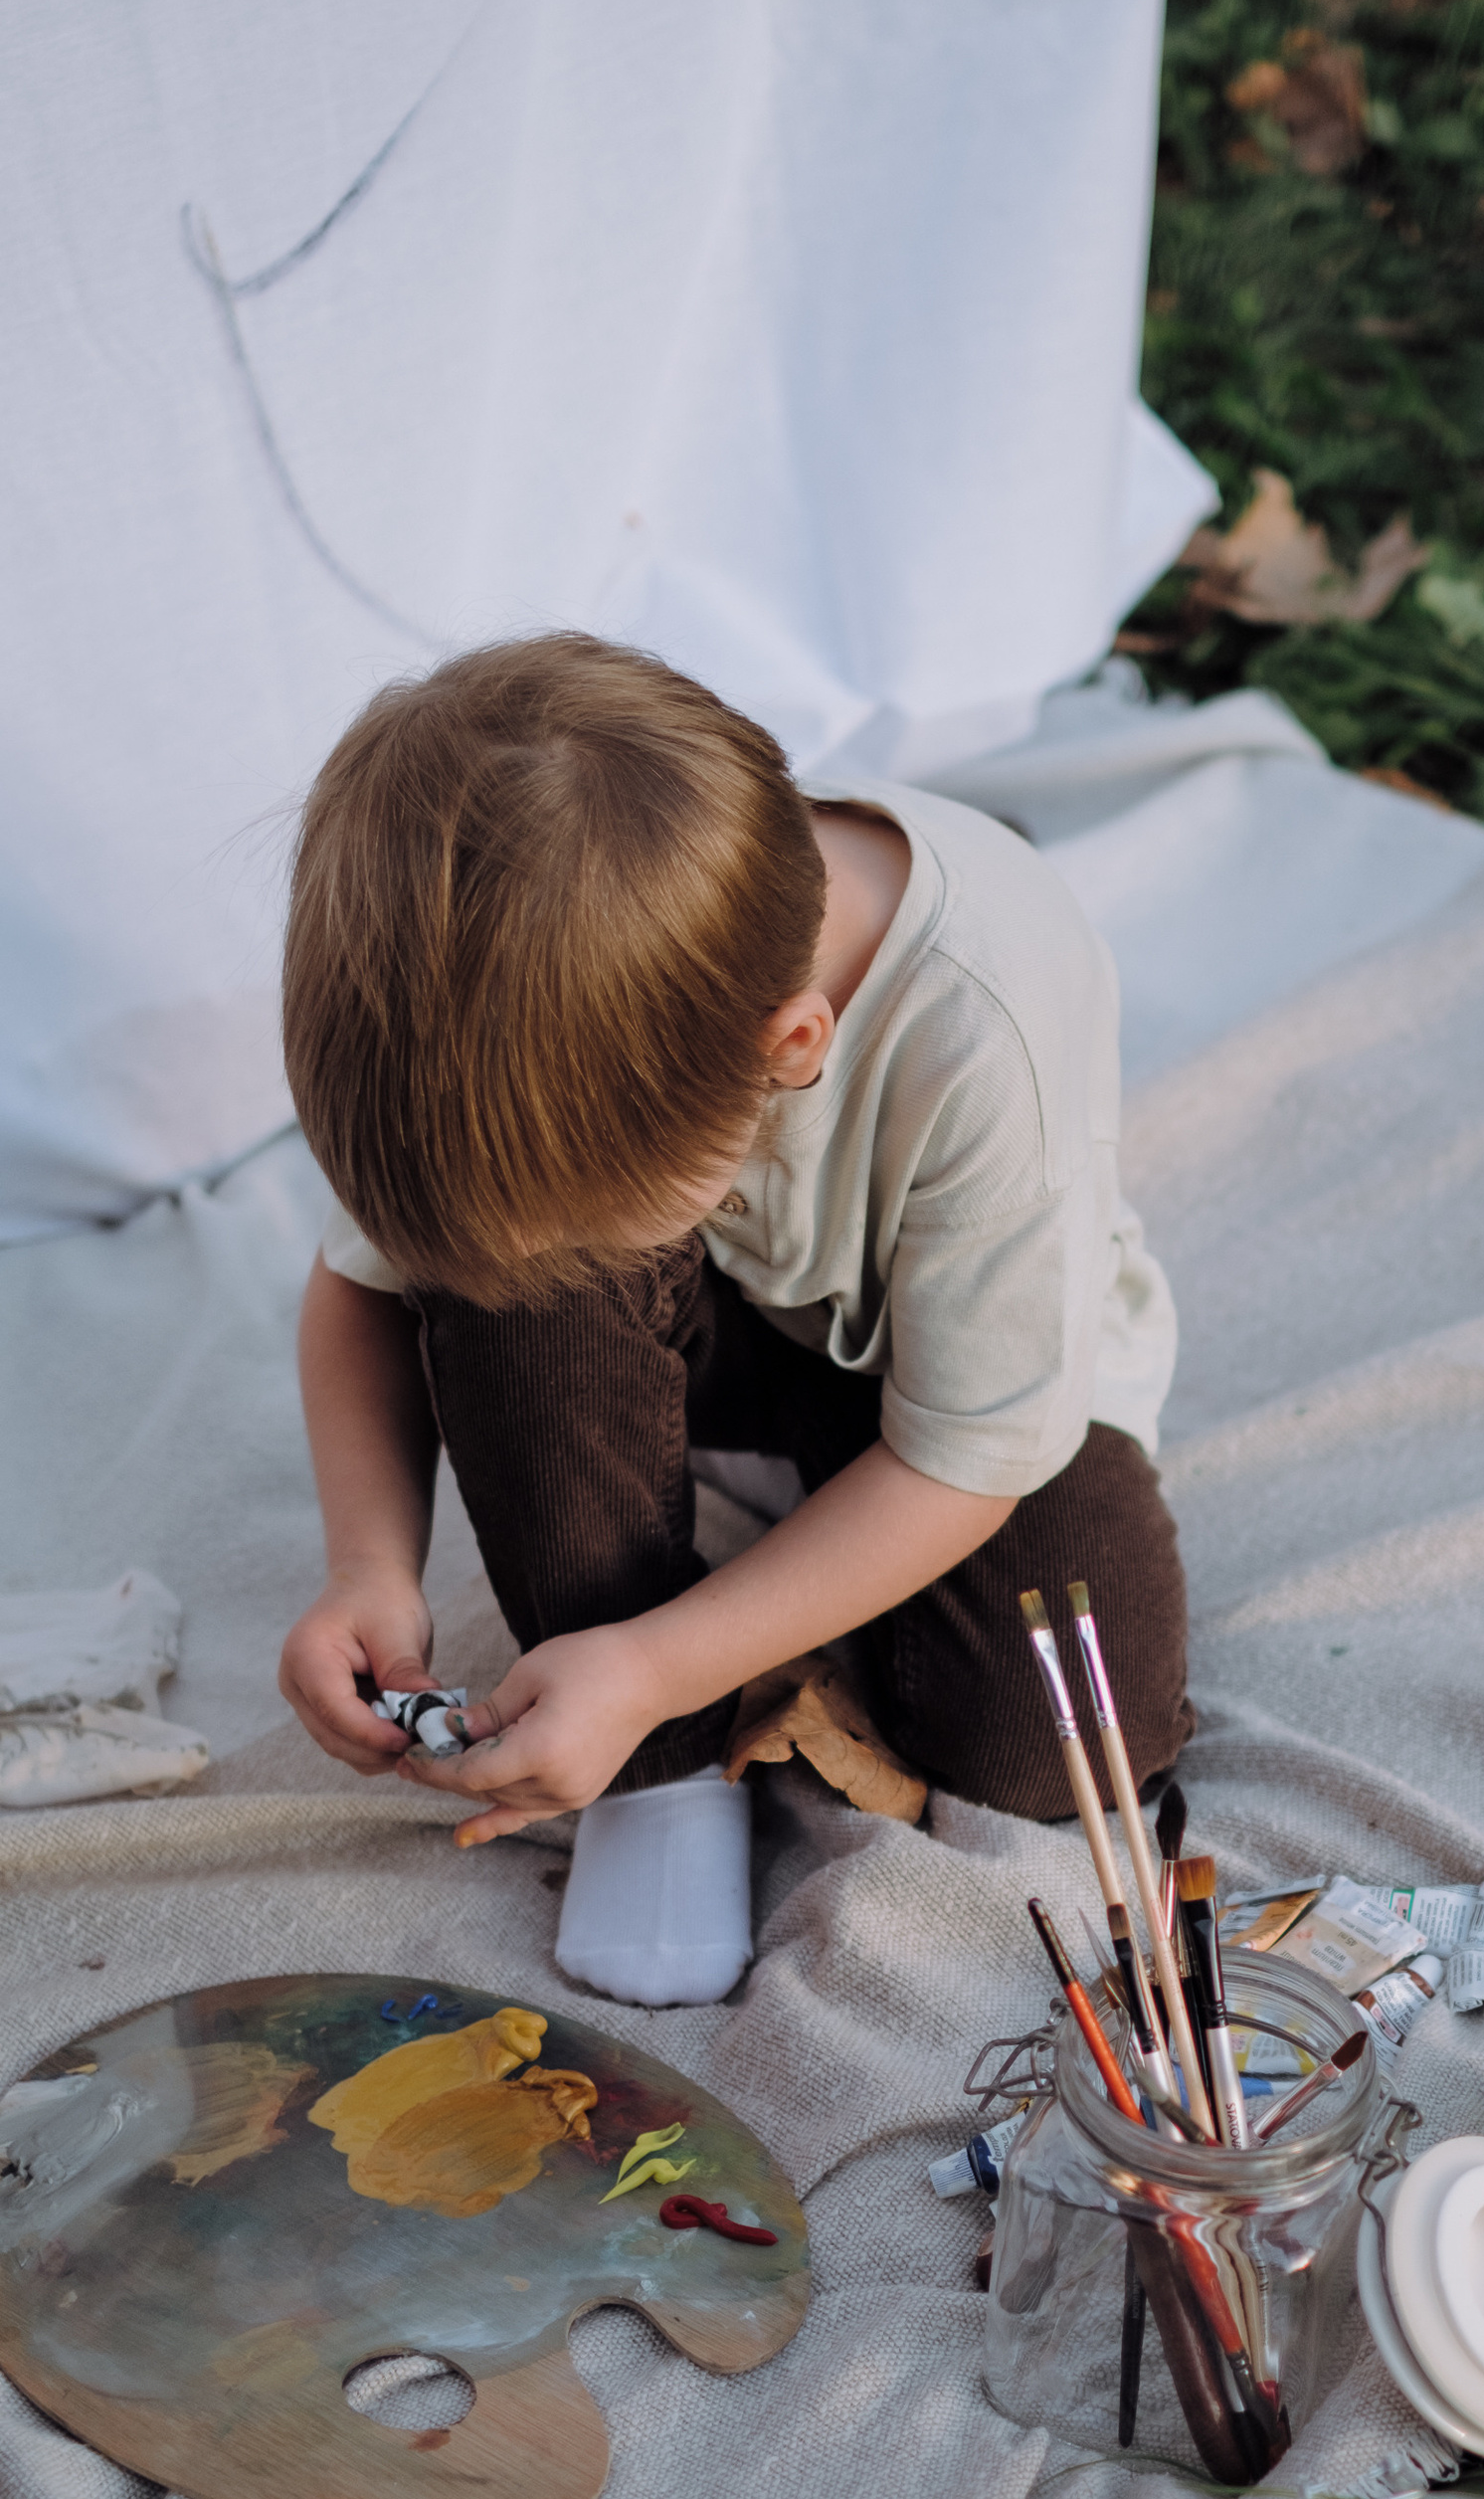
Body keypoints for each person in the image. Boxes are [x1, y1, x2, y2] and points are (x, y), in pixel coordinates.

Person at [275, 632, 1191, 2007]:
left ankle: (666, 1651)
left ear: (793, 1050)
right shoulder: (533, 1002)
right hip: (712, 1327)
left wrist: (655, 1654)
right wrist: (369, 1566)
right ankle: (661, 1769)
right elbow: (363, 1288)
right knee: (515, 1295)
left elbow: (970, 1453)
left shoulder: (987, 1021)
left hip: (953, 1393)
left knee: (1045, 1738)